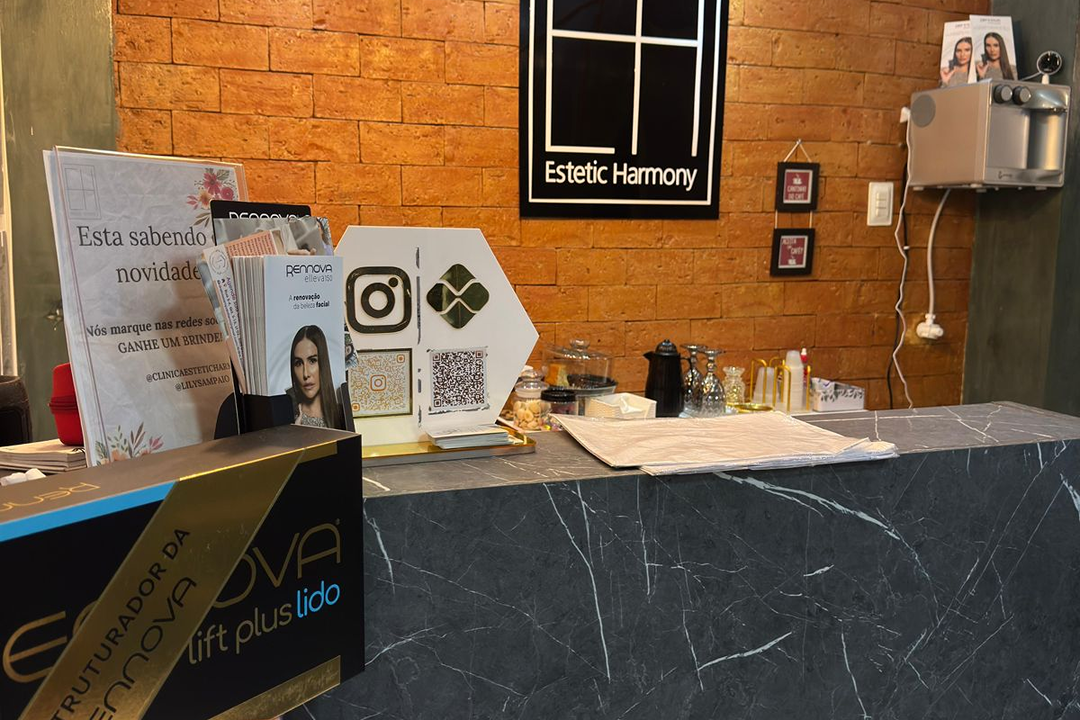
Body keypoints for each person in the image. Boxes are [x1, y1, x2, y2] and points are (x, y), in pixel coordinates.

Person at [288, 325, 343, 429]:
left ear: (323, 362)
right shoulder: (289, 418)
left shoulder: (341, 414)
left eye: (312, 361)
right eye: (298, 363)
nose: (305, 374)